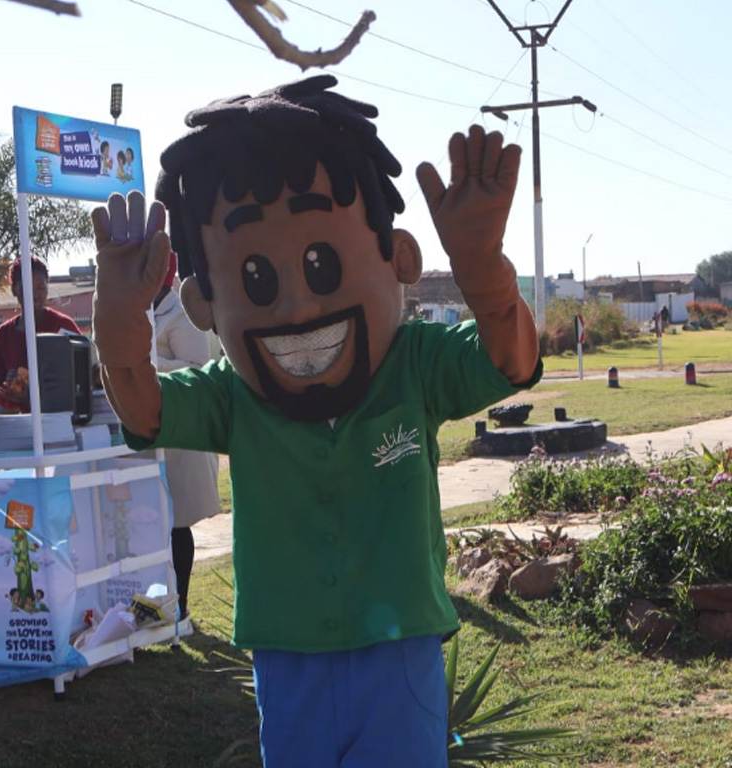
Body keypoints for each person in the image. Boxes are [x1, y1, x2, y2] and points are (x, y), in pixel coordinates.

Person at [91, 77, 540, 767]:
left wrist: (484, 272)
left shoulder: (415, 365)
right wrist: (121, 324)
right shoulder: (232, 396)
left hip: (399, 651)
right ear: (204, 303)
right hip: (289, 656)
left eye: (323, 265)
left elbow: (510, 361)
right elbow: (144, 409)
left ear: (400, 258)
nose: (298, 308)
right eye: (257, 279)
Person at [152, 254, 221, 619]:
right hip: (151, 434)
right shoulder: (142, 308)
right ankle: (156, 605)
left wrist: (149, 364)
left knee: (177, 523)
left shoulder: (182, 313)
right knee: (150, 524)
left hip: (181, 436)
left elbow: (199, 370)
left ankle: (180, 605)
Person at [0, 258, 81, 413]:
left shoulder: (63, 326)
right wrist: (11, 392)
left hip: (62, 418)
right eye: (27, 287)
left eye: (40, 287)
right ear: (14, 289)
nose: (35, 295)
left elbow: (83, 375)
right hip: (22, 421)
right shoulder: (3, 335)